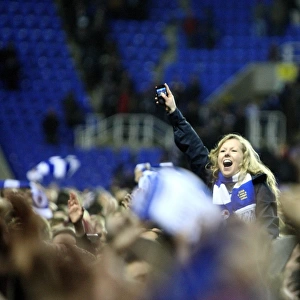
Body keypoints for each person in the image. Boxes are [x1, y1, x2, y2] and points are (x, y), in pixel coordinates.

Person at [155, 83, 280, 239]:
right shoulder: (212, 181)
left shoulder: (259, 188)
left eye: (233, 150)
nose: (226, 154)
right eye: (222, 151)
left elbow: (269, 233)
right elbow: (194, 146)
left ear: (244, 159)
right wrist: (173, 111)